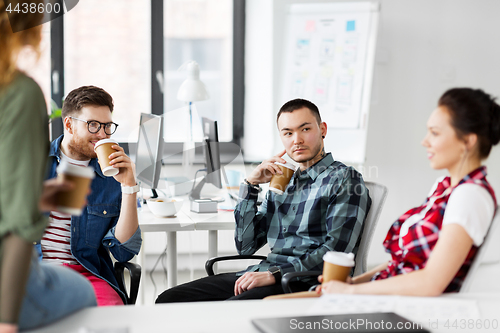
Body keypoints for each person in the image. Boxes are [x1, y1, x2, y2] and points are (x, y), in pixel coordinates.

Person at [156, 98, 372, 303]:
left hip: (303, 281)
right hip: (264, 273)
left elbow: (335, 252)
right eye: (288, 133)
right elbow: (246, 246)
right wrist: (251, 186)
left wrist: (276, 274)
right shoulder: (283, 180)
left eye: (305, 129)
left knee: (229, 310)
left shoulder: (344, 179)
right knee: (169, 300)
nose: (296, 140)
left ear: (322, 129)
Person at [319, 88, 499, 296]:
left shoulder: (470, 196)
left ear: (468, 141)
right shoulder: (446, 187)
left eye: (435, 133)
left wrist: (350, 292)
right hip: (391, 297)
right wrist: (354, 284)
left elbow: (431, 282)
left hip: (409, 308)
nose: (425, 141)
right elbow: (401, 263)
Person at [0, 2, 96, 332]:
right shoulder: (18, 93)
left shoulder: (104, 173)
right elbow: (17, 227)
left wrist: (35, 196)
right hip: (12, 277)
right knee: (83, 292)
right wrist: (6, 323)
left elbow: (126, 246)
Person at [39, 85, 142, 306]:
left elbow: (124, 251)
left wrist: (129, 186)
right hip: (35, 270)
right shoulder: (35, 163)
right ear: (69, 124)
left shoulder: (111, 176)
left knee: (112, 316)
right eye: (93, 125)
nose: (102, 134)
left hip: (86, 273)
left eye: (107, 126)